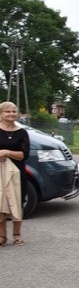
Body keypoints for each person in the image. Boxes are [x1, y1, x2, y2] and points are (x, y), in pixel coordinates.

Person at [0, 101, 30, 246]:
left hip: (17, 172)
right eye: (7, 111)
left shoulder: (22, 132)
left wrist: (7, 152)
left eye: (13, 111)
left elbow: (24, 154)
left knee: (17, 202)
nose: (11, 114)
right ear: (1, 114)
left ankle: (17, 234)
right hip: (0, 172)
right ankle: (2, 236)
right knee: (1, 202)